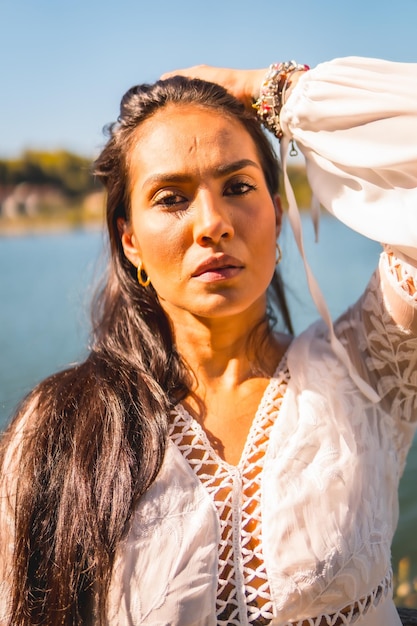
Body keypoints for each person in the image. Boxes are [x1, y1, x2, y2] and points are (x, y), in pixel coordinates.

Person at [0, 56, 416, 626]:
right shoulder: (59, 428)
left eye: (239, 185)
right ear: (130, 242)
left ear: (276, 212)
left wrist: (277, 92)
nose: (212, 222)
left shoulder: (368, 363)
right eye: (171, 198)